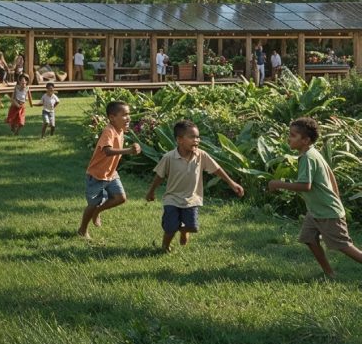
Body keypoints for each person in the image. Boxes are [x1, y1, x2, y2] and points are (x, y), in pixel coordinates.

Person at [267, 117, 362, 277]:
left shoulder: (308, 157)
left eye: (293, 135)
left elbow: (305, 186)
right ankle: (329, 273)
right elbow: (331, 175)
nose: (288, 138)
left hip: (327, 212)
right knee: (309, 238)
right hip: (316, 211)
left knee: (343, 246)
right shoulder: (312, 153)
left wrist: (278, 183)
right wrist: (336, 197)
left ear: (306, 140)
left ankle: (330, 273)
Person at [145, 120, 244, 252]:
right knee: (170, 227)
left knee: (193, 227)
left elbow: (217, 169)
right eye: (192, 137)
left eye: (198, 137)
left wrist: (232, 183)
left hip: (192, 199)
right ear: (179, 139)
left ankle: (183, 230)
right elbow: (159, 176)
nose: (196, 140)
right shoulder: (169, 157)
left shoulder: (201, 155)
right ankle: (165, 246)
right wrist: (151, 191)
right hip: (172, 198)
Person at [77, 100, 141, 238]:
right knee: (92, 204)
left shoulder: (120, 130)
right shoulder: (109, 131)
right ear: (112, 117)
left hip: (111, 173)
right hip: (97, 175)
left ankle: (97, 211)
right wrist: (129, 151)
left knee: (120, 198)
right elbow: (108, 151)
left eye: (129, 114)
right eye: (124, 115)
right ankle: (82, 229)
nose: (128, 117)